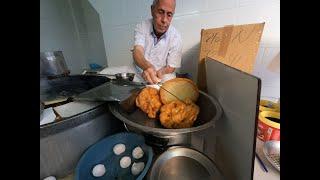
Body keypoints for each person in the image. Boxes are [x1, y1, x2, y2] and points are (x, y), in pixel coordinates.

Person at [132, 0, 182, 84]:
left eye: (169, 15)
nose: (164, 20)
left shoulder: (176, 37)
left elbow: (172, 66)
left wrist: (159, 73)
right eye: (160, 12)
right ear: (152, 10)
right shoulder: (142, 27)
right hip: (140, 73)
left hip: (163, 75)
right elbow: (137, 51)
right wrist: (147, 67)